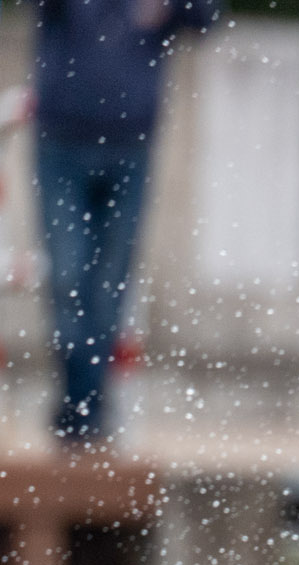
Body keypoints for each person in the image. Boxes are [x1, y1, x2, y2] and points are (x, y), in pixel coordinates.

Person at [34, 0, 220, 445]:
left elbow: (207, 17)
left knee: (111, 283)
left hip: (130, 141)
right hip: (62, 139)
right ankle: (81, 402)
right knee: (67, 275)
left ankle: (87, 407)